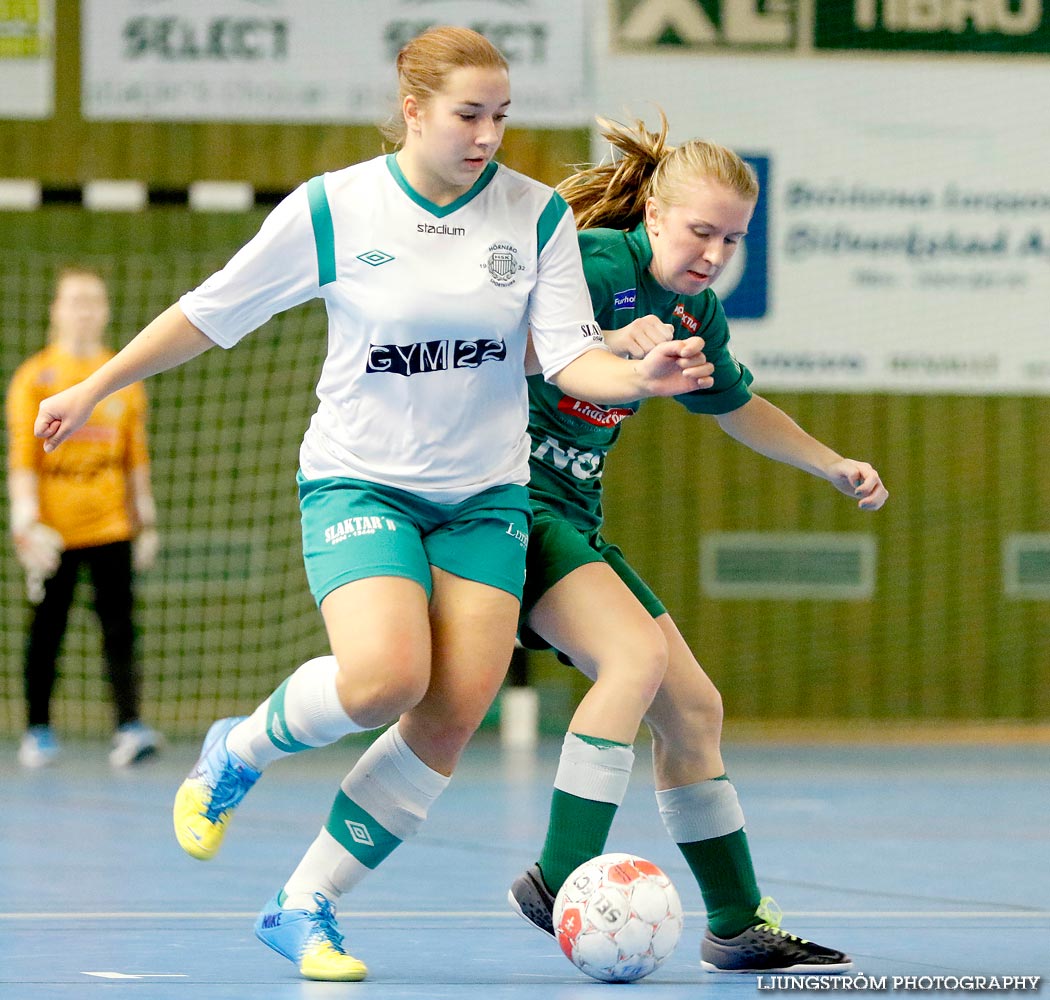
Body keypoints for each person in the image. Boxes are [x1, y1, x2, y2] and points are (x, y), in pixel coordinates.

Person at [33, 30, 715, 983]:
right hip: (363, 480)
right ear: (414, 108)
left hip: (484, 497)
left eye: (501, 117)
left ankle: (302, 902)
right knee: (384, 678)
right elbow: (210, 308)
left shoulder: (534, 219)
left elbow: (567, 356)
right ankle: (239, 747)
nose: (488, 135)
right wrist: (94, 387)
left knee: (447, 714)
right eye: (467, 115)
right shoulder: (337, 208)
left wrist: (639, 373)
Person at [506, 113, 889, 974]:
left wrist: (830, 464)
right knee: (632, 661)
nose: (716, 251)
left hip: (575, 516)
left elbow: (736, 404)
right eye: (700, 230)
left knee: (694, 712)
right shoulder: (601, 264)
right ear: (652, 219)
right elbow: (503, 348)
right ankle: (556, 878)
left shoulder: (696, 308)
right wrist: (605, 342)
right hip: (509, 509)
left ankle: (736, 920)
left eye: (735, 238)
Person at [5, 266, 163, 769]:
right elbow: (22, 462)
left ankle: (130, 726)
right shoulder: (35, 378)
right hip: (56, 530)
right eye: (75, 300)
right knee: (46, 630)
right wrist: (27, 521)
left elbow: (136, 461)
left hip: (112, 524)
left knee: (119, 627)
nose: (85, 310)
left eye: (94, 300)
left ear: (106, 310)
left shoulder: (123, 379)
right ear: (56, 310)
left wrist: (147, 524)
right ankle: (38, 730)